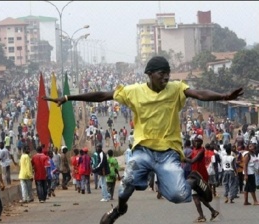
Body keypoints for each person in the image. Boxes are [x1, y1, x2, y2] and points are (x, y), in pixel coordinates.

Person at [43, 56, 243, 224]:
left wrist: (223, 96)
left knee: (178, 196)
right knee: (127, 184)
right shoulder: (134, 91)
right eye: (161, 73)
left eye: (168, 73)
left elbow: (199, 93)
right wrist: (68, 98)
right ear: (149, 74)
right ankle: (118, 211)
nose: (166, 76)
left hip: (168, 153)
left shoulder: (175, 88)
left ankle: (193, 180)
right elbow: (103, 95)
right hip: (143, 150)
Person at [185, 135, 219, 222]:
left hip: (200, 177)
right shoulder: (194, 150)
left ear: (201, 142)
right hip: (195, 175)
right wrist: (181, 157)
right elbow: (188, 158)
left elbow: (192, 161)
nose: (196, 143)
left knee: (195, 196)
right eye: (195, 141)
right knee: (200, 196)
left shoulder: (201, 151)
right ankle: (213, 211)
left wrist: (183, 158)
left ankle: (202, 216)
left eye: (198, 141)